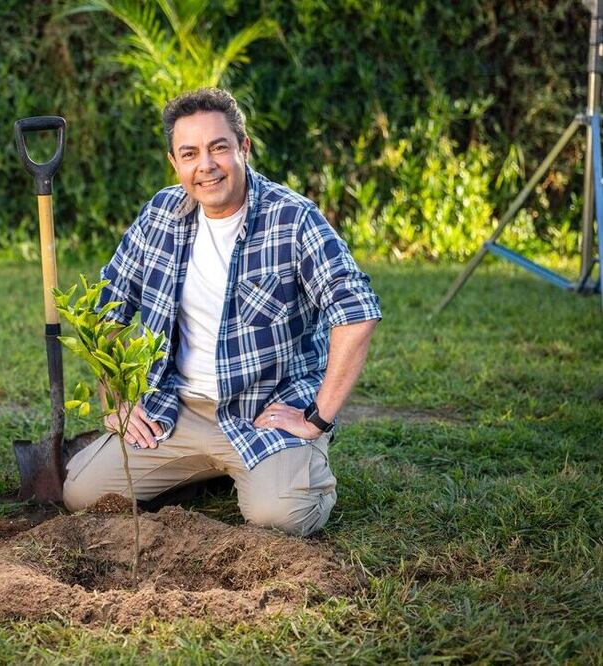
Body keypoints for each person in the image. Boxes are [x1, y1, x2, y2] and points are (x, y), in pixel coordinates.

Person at [62, 88, 382, 536]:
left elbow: (358, 311)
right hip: (175, 408)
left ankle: (307, 466)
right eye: (189, 153)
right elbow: (105, 310)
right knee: (82, 494)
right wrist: (115, 398)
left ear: (243, 148)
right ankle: (207, 469)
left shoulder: (292, 218)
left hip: (266, 408)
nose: (206, 166)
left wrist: (318, 415)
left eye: (218, 148)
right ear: (174, 163)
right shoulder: (159, 215)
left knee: (280, 517)